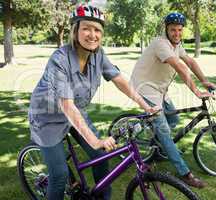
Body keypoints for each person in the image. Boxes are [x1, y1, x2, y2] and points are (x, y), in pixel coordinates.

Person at [28, 3, 158, 200]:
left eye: (97, 29)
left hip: (76, 111)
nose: (92, 34)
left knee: (101, 157)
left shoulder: (98, 55)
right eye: (86, 28)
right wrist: (95, 140)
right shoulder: (59, 59)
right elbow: (66, 105)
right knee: (59, 175)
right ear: (75, 30)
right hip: (47, 118)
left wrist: (146, 106)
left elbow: (120, 81)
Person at [130, 12, 216, 189]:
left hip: (160, 89)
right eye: (173, 30)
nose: (177, 33)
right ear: (166, 29)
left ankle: (156, 146)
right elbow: (179, 66)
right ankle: (185, 173)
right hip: (145, 88)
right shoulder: (160, 44)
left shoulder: (177, 45)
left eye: (179, 30)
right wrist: (197, 91)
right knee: (164, 131)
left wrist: (204, 80)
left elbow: (190, 62)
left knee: (174, 119)